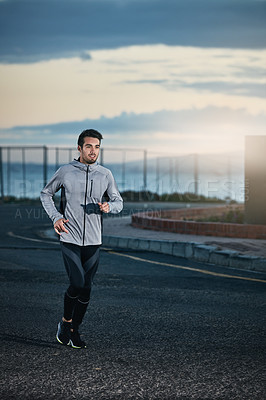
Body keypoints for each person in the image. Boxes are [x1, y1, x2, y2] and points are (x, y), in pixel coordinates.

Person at [40, 129, 123, 348]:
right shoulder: (66, 171)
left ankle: (75, 330)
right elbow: (46, 194)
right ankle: (65, 323)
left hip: (94, 240)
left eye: (96, 147)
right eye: (89, 146)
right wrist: (56, 217)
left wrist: (109, 206)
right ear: (79, 148)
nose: (93, 151)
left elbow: (118, 201)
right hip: (70, 237)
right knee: (77, 282)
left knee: (87, 288)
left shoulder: (105, 174)